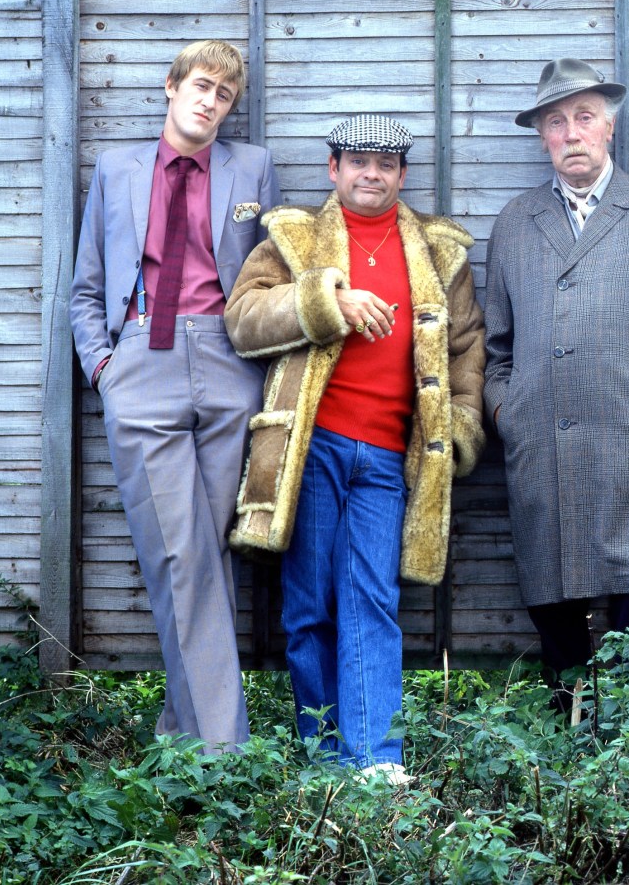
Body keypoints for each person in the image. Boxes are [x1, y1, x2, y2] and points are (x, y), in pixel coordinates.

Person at [224, 114, 485, 779]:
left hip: (387, 458)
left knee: (372, 598)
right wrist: (325, 301)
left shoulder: (439, 252)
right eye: (358, 162)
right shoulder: (294, 238)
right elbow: (243, 320)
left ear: (401, 175)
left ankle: (374, 762)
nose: (372, 174)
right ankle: (323, 756)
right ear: (333, 169)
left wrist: (457, 426)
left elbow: (465, 351)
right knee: (309, 603)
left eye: (385, 164)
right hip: (309, 450)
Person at [483, 58, 629, 708]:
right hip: (541, 441)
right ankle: (571, 726)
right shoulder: (514, 222)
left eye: (583, 117)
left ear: (609, 127)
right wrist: (508, 409)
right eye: (555, 121)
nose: (571, 133)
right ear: (541, 137)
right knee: (553, 594)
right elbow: (495, 346)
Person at [70, 39, 281, 753]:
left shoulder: (251, 168)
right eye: (200, 85)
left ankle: (179, 733)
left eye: (224, 94)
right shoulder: (116, 167)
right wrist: (105, 368)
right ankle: (225, 752)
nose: (210, 101)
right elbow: (87, 284)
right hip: (143, 357)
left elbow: (268, 276)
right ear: (171, 86)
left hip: (228, 363)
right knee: (180, 553)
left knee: (205, 554)